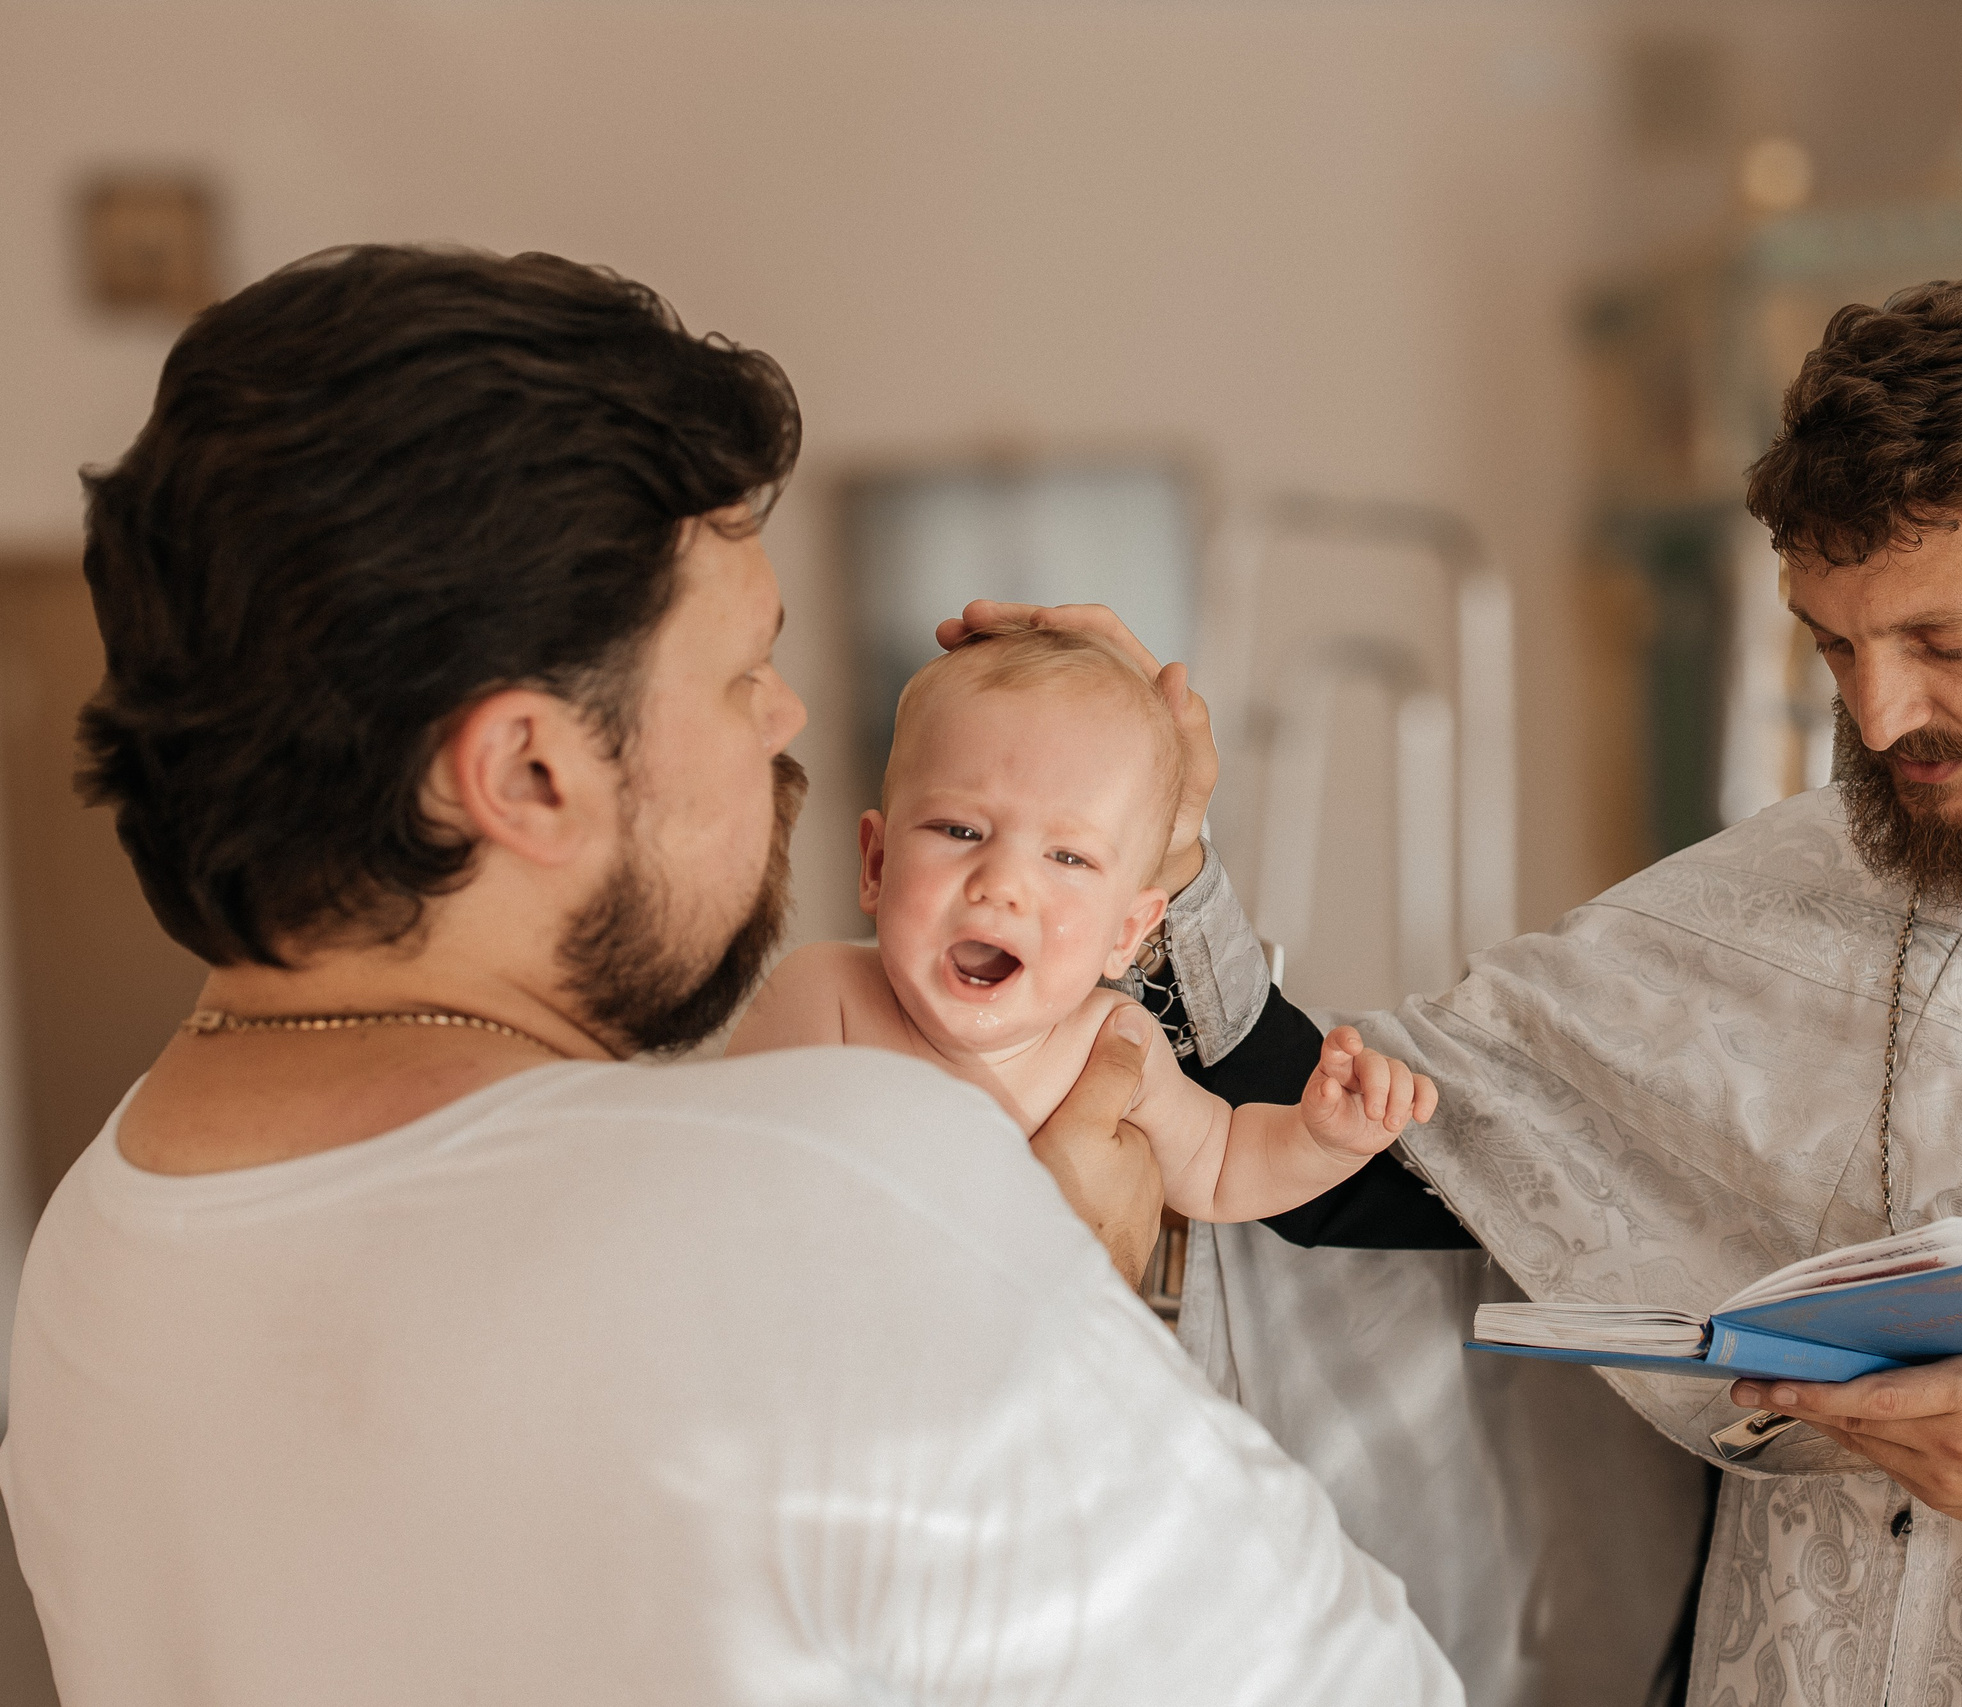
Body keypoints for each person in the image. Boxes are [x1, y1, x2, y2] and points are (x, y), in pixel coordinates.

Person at [954, 281, 1962, 1706]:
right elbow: (1395, 1162)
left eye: (1948, 637)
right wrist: (1160, 858)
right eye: (1833, 645)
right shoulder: (1791, 895)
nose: (1881, 714)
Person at [0, 243, 1460, 1706]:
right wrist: (1077, 1281)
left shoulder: (85, 1259)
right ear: (527, 770)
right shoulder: (836, 1190)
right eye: (738, 671)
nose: (788, 714)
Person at [729, 622, 1438, 1219]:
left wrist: (1325, 1142)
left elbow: (1221, 1164)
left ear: (1128, 931)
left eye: (1067, 856)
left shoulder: (1111, 1042)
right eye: (959, 830)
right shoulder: (824, 1000)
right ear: (877, 864)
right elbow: (727, 1181)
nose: (1002, 884)